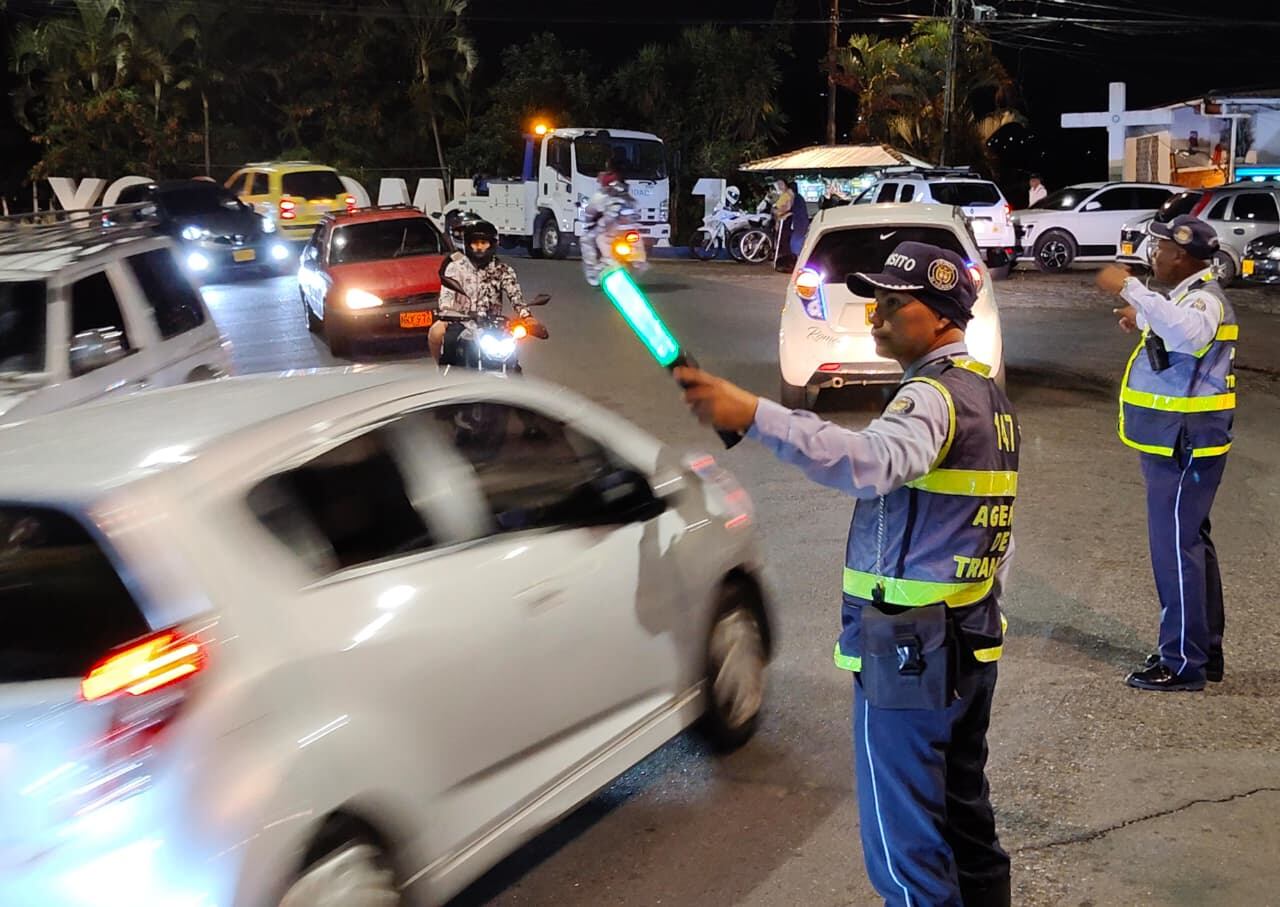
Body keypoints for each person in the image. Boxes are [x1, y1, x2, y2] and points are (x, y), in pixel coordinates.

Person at [677, 241, 1017, 907]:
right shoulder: (986, 396)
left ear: (943, 317)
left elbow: (869, 461)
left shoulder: (932, 398)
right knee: (963, 826)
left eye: (895, 303)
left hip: (912, 653)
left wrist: (753, 414)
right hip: (966, 641)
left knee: (906, 851)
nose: (876, 316)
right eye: (876, 301)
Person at [1096, 214, 1236, 691]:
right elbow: (1177, 335)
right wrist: (1143, 319)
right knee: (1191, 543)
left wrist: (1134, 292)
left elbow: (1188, 334)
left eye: (1159, 249)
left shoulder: (1203, 299)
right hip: (1178, 440)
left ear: (1183, 255)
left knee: (1176, 549)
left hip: (1183, 442)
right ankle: (1204, 650)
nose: (1151, 255)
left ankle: (1182, 663)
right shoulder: (1189, 298)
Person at [428, 218, 528, 362]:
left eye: (484, 243)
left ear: (492, 244)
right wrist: (449, 313)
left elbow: (515, 296)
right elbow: (446, 298)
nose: (479, 247)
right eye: (475, 243)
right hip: (459, 322)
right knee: (436, 332)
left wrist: (527, 316)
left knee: (512, 357)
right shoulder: (455, 267)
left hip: (493, 325)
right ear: (468, 244)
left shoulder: (503, 270)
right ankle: (442, 371)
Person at [581, 167, 635, 287]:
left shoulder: (601, 196)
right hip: (626, 230)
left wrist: (590, 223)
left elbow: (590, 213)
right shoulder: (628, 197)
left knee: (586, 240)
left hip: (610, 229)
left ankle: (593, 271)